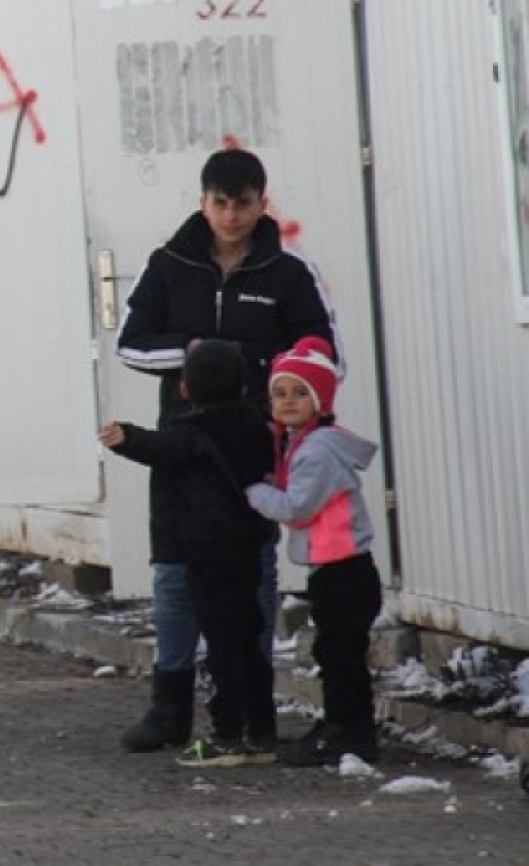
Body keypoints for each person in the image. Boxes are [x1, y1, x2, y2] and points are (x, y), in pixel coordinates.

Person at [114, 147, 337, 752]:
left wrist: (250, 370)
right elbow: (130, 345)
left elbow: (322, 356)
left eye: (243, 203)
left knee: (250, 574)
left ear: (263, 203)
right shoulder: (168, 265)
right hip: (178, 446)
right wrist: (199, 353)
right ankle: (170, 705)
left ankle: (249, 706)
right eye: (220, 203)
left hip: (252, 446)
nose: (231, 215)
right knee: (173, 572)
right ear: (203, 202)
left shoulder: (290, 274)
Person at [99, 340, 279, 767]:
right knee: (251, 638)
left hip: (206, 552)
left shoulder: (192, 433)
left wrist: (124, 436)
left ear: (183, 389)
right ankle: (262, 731)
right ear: (243, 388)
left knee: (221, 644)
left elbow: (162, 447)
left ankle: (226, 735)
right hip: (249, 546)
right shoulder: (258, 427)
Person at [246, 337, 382, 766]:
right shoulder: (307, 444)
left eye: (300, 393)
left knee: (340, 656)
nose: (288, 402)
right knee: (335, 653)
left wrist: (254, 491)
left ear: (320, 400)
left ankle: (347, 733)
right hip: (336, 569)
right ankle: (343, 726)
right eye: (279, 393)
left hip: (345, 571)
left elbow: (298, 509)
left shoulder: (318, 451)